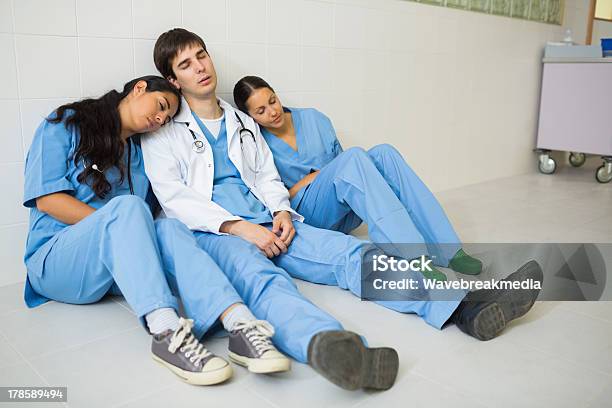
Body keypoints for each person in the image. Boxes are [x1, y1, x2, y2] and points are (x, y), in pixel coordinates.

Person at [142, 28, 543, 389]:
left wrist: (281, 212)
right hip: (219, 236)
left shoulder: (242, 122)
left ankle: (464, 307)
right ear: (174, 80)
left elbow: (266, 177)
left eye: (202, 55)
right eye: (186, 64)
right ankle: (338, 349)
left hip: (272, 224)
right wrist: (238, 228)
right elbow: (174, 198)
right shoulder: (164, 130)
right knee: (266, 286)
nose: (200, 67)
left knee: (354, 255)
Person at [22, 75, 291, 387]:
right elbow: (47, 200)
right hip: (55, 261)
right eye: (161, 106)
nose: (161, 118)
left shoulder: (138, 152)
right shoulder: (67, 123)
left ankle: (240, 324)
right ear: (139, 89)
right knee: (130, 209)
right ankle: (165, 331)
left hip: (111, 269)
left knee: (169, 227)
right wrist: (120, 223)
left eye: (166, 118)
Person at [233, 76, 483, 282]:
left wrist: (329, 173)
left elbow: (346, 168)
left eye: (273, 101)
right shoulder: (254, 142)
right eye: (261, 111)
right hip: (307, 217)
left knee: (384, 153)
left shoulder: (313, 118)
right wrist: (313, 179)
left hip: (345, 207)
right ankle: (412, 258)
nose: (272, 112)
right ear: (250, 117)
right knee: (354, 158)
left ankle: (448, 249)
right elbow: (269, 198)